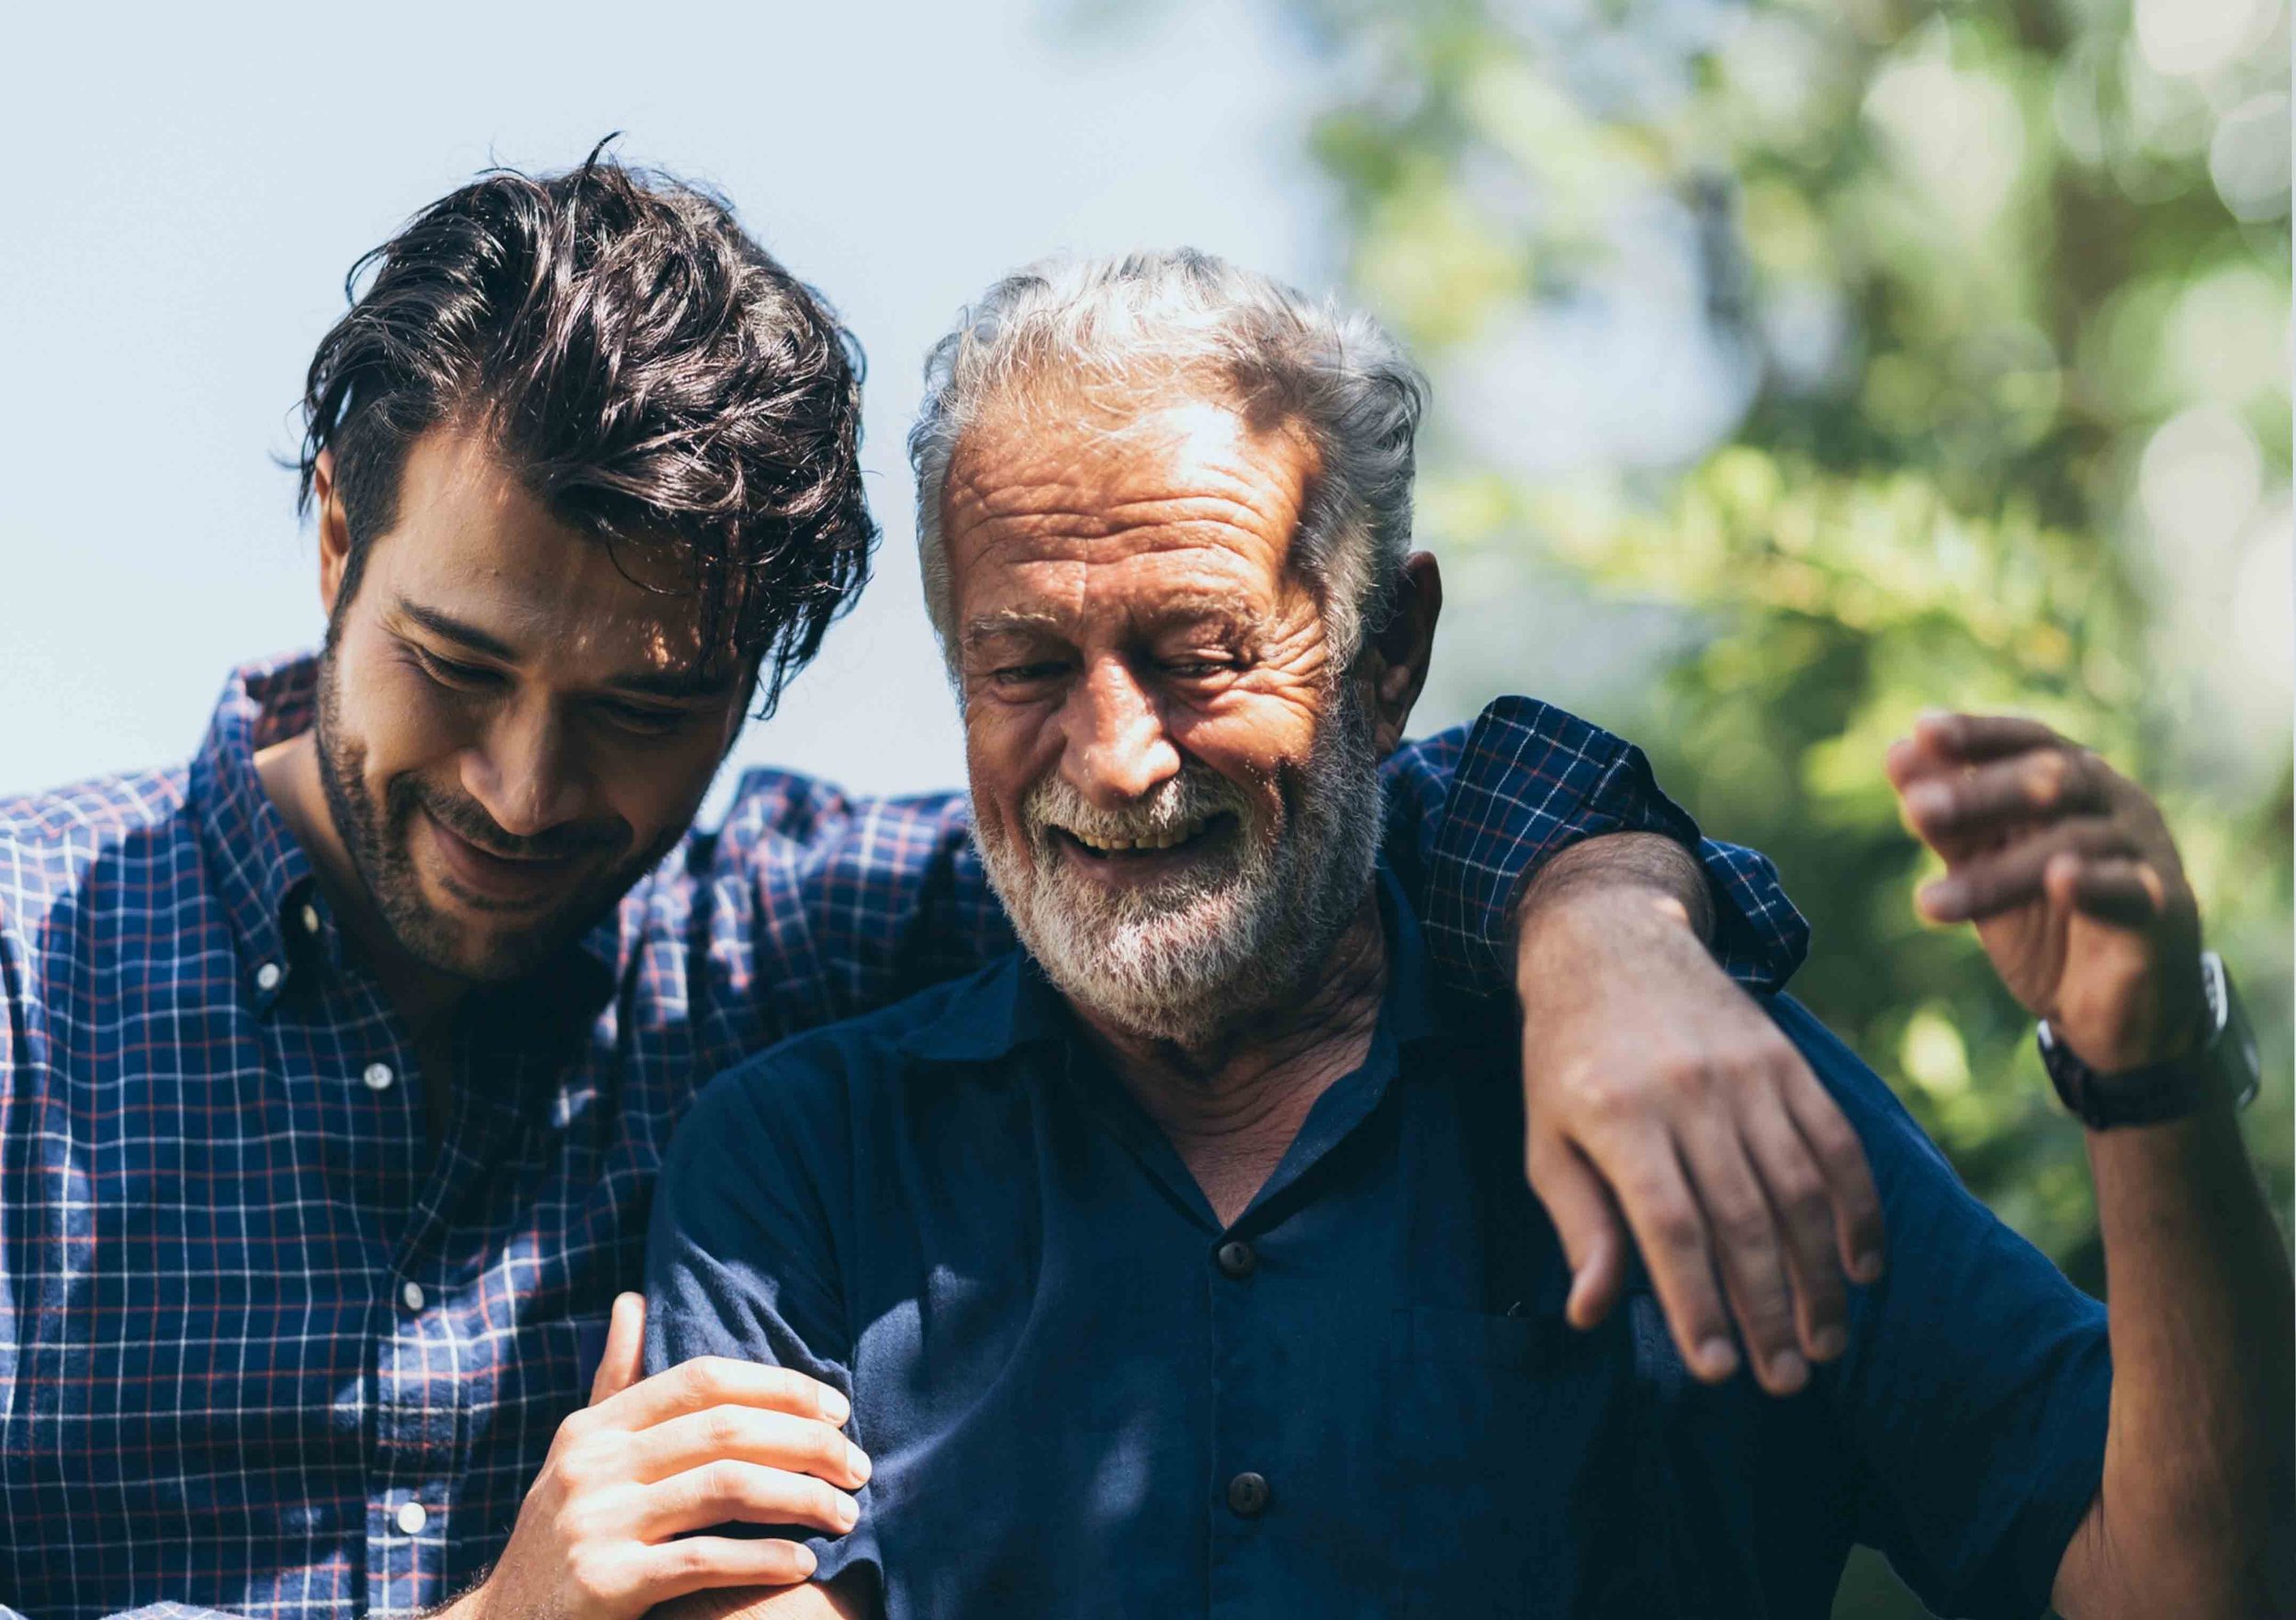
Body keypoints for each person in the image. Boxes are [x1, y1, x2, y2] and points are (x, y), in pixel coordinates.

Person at [0, 159, 1883, 1620]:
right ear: (337, 537)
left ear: (751, 682)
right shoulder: (24, 977)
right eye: (461, 665)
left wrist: (1610, 931)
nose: (524, 787)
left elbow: (1326, 814)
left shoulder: (788, 940)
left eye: (643, 711)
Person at [645, 251, 2293, 1619]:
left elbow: (2179, 1589)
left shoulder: (1695, 1081)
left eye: (1198, 652)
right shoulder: (801, 1171)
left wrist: (2147, 1079)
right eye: (1022, 668)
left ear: (1387, 652)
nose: (1115, 754)